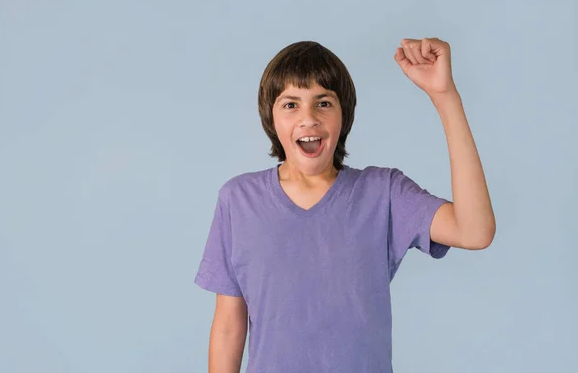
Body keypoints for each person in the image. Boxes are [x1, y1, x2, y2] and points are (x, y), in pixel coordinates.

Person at [193, 38, 496, 373]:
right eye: (291, 104)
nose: (308, 118)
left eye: (323, 103)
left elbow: (475, 231)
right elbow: (228, 327)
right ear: (271, 118)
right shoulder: (238, 201)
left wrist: (444, 97)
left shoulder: (384, 193)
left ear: (344, 116)